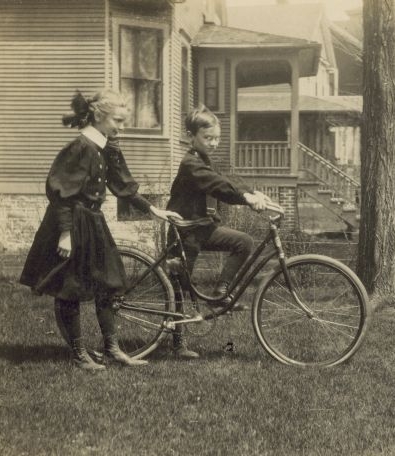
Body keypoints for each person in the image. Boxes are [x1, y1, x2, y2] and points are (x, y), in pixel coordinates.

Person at [20, 89, 179, 370]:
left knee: (109, 283)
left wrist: (152, 208)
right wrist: (66, 234)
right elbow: (61, 194)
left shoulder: (106, 148)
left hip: (94, 223)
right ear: (99, 116)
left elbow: (122, 186)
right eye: (117, 120)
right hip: (72, 223)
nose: (122, 126)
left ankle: (112, 348)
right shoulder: (80, 148)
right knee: (70, 287)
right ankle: (79, 353)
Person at [166, 105, 269, 356]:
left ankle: (221, 292)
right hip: (185, 232)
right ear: (191, 136)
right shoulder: (191, 164)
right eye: (207, 138)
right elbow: (217, 185)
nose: (213, 143)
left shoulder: (204, 160)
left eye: (216, 138)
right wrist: (245, 198)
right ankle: (177, 344)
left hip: (202, 228)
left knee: (243, 242)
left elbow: (226, 180)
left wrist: (251, 192)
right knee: (180, 288)